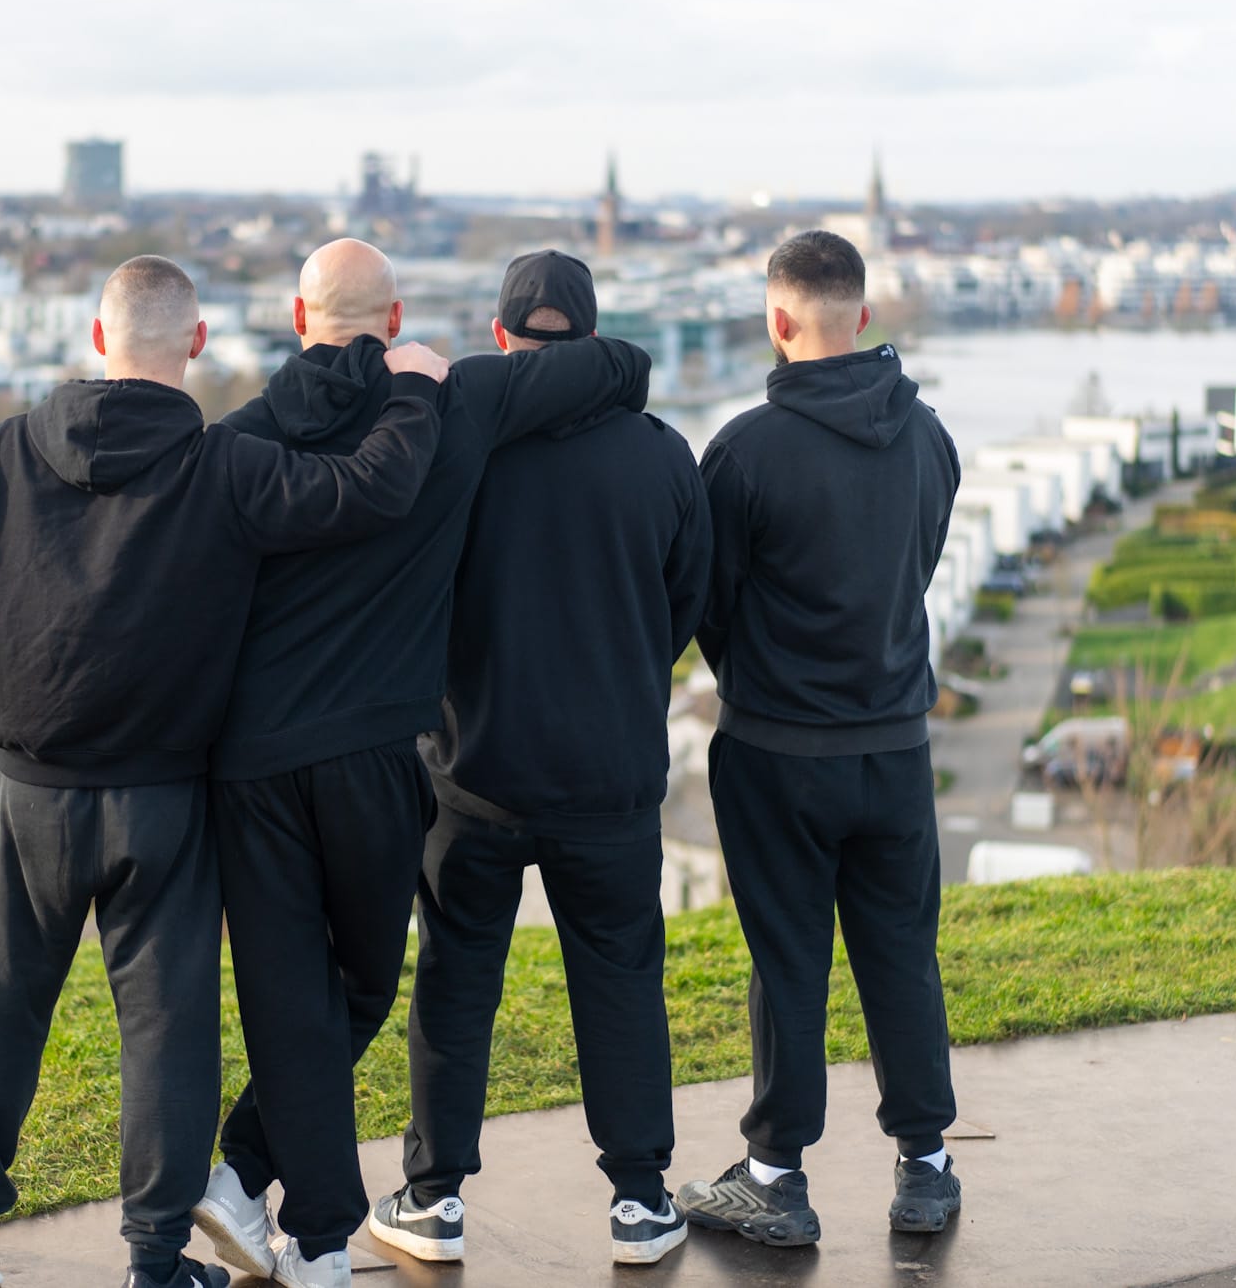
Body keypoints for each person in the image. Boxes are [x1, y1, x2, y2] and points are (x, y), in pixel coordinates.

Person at [0, 255, 451, 1288]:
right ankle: (153, 1261)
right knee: (165, 1039)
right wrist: (412, 388)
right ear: (195, 343)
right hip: (161, 801)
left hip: (24, 792)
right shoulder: (220, 469)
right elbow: (369, 490)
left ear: (95, 335)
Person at [190, 240, 650, 1288]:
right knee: (356, 990)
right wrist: (452, 373)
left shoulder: (242, 437)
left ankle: (245, 1188)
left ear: (295, 319)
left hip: (249, 765)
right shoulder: (454, 403)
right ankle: (308, 1234)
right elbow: (618, 367)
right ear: (394, 320)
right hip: (366, 759)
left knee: (287, 996)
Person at [365, 249, 711, 1268]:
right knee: (619, 980)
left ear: (502, 336)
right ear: (593, 337)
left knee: (456, 980)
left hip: (471, 772)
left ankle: (431, 1197)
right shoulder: (659, 455)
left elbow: (408, 597)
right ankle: (640, 1201)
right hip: (607, 774)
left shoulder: (453, 448)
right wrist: (621, 671)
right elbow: (680, 606)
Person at [676, 230, 964, 1247]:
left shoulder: (744, 451)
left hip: (775, 750)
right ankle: (924, 1169)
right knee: (900, 953)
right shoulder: (927, 438)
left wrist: (752, 671)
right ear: (863, 318)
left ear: (776, 321)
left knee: (787, 958)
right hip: (892, 745)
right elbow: (916, 568)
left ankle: (774, 1176)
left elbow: (707, 602)